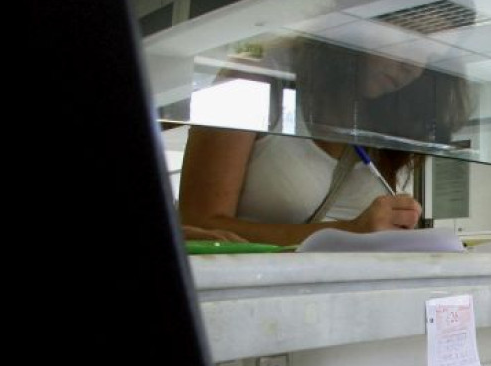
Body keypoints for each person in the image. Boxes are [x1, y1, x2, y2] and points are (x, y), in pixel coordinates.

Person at [177, 38, 470, 246]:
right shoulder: (253, 73)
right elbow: (197, 224)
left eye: (430, 58)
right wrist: (348, 233)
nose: (413, 69)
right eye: (410, 40)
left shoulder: (389, 113)